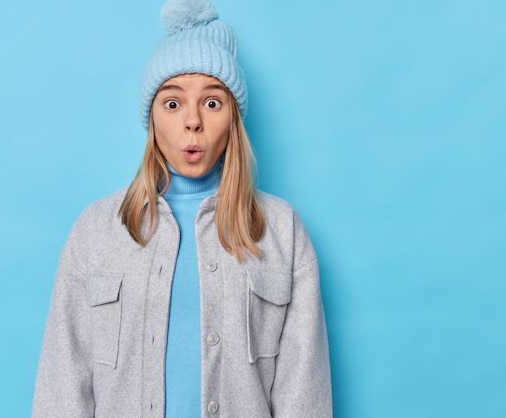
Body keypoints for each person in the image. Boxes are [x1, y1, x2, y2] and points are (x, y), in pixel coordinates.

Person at [32, 0, 332, 416]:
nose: (193, 121)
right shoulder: (95, 231)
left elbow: (305, 395)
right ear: (152, 117)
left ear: (233, 119)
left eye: (212, 102)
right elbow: (62, 386)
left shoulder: (282, 231)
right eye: (172, 103)